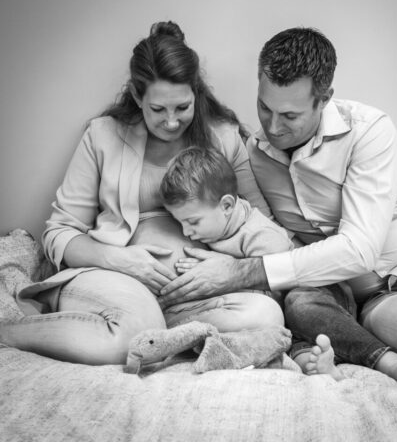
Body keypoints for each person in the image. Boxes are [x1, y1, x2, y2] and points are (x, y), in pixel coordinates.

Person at [159, 26, 397, 389]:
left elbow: (360, 249)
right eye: (264, 107)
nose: (273, 126)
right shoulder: (256, 154)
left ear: (324, 99)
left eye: (290, 116)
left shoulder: (369, 130)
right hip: (375, 298)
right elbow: (252, 226)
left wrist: (241, 271)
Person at [0, 21, 284, 366]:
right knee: (137, 329)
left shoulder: (223, 137)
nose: (171, 121)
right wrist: (118, 259)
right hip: (116, 281)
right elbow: (59, 233)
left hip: (192, 300)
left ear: (196, 93)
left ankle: (166, 338)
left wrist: (230, 269)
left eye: (182, 107)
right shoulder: (103, 136)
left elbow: (260, 222)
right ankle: (8, 332)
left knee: (267, 315)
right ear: (137, 97)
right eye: (157, 110)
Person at [160, 145, 344, 381]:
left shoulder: (262, 237)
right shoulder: (212, 226)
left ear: (227, 206)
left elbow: (276, 295)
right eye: (180, 222)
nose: (186, 231)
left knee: (293, 337)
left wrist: (228, 269)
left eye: (193, 222)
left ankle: (320, 364)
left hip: (296, 306)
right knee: (292, 350)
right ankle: (312, 365)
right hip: (257, 317)